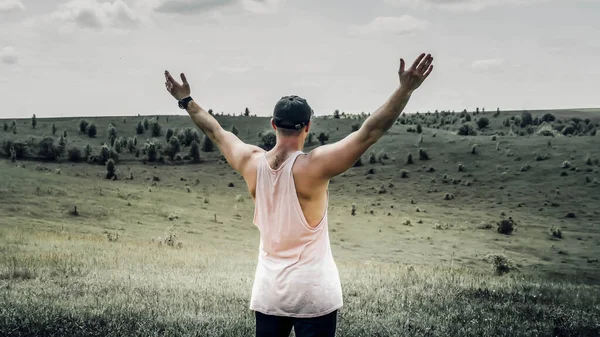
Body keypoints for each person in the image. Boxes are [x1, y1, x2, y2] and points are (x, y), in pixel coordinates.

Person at [164, 52, 434, 337]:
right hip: (314, 293)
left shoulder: (250, 162)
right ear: (307, 126)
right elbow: (370, 131)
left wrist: (185, 100)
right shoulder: (314, 167)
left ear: (273, 124)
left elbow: (216, 132)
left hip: (270, 294)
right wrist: (405, 89)